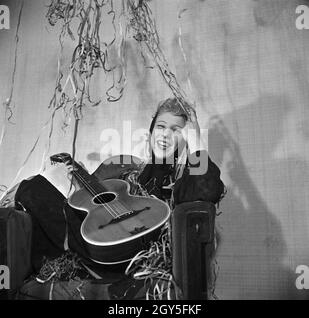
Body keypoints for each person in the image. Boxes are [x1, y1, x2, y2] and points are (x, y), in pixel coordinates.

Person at [13, 97, 225, 298]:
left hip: (137, 252)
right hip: (99, 241)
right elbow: (97, 208)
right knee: (33, 189)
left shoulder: (183, 178)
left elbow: (206, 190)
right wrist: (80, 183)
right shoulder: (129, 172)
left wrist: (197, 141)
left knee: (35, 195)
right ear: (151, 132)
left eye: (175, 130)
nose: (165, 135)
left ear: (186, 138)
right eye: (160, 127)